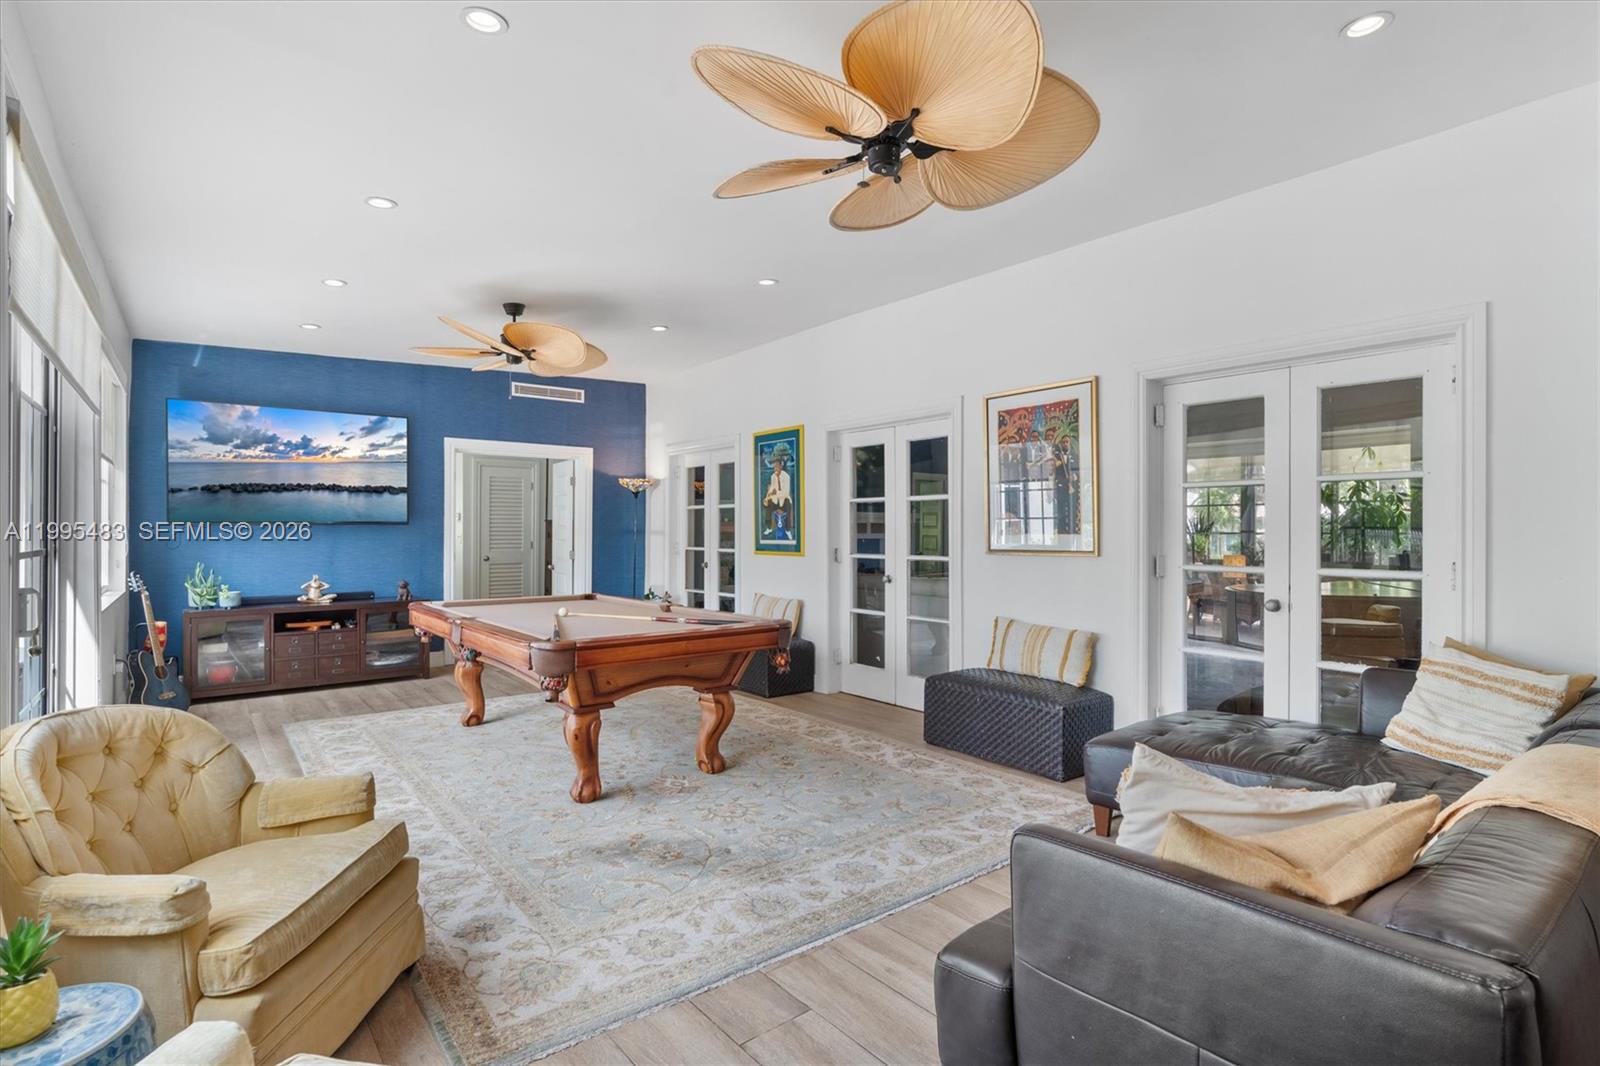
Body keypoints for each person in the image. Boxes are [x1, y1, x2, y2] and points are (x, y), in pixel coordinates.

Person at [762, 442, 794, 541]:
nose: (775, 469)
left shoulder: (786, 476)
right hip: (776, 500)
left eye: (776, 467)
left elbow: (785, 492)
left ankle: (788, 530)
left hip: (784, 500)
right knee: (767, 506)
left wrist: (775, 493)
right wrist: (768, 497)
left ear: (781, 466)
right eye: (774, 467)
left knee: (788, 506)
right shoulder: (773, 476)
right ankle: (769, 527)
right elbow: (772, 488)